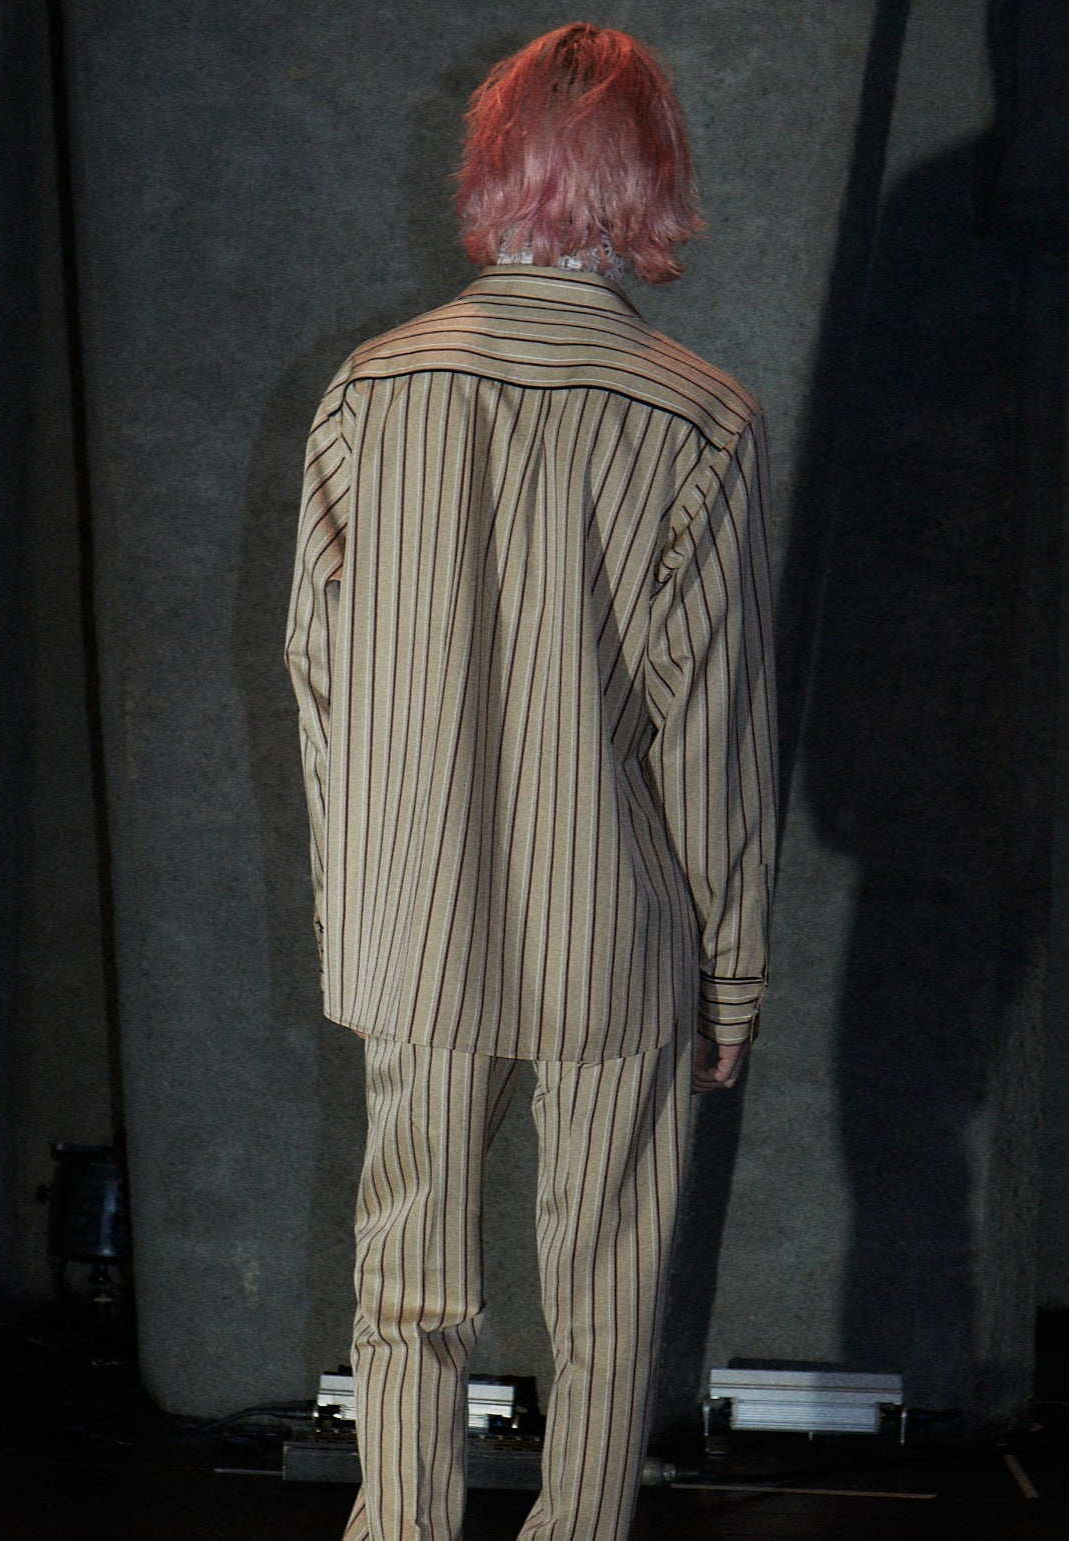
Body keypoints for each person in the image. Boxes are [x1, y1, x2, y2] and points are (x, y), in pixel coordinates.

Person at [286, 23, 776, 1541]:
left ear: (494, 165)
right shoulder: (702, 420)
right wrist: (733, 970)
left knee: (407, 1281)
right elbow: (713, 734)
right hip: (616, 929)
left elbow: (319, 680)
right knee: (608, 1298)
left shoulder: (373, 391)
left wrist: (362, 906)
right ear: (655, 177)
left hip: (417, 917)